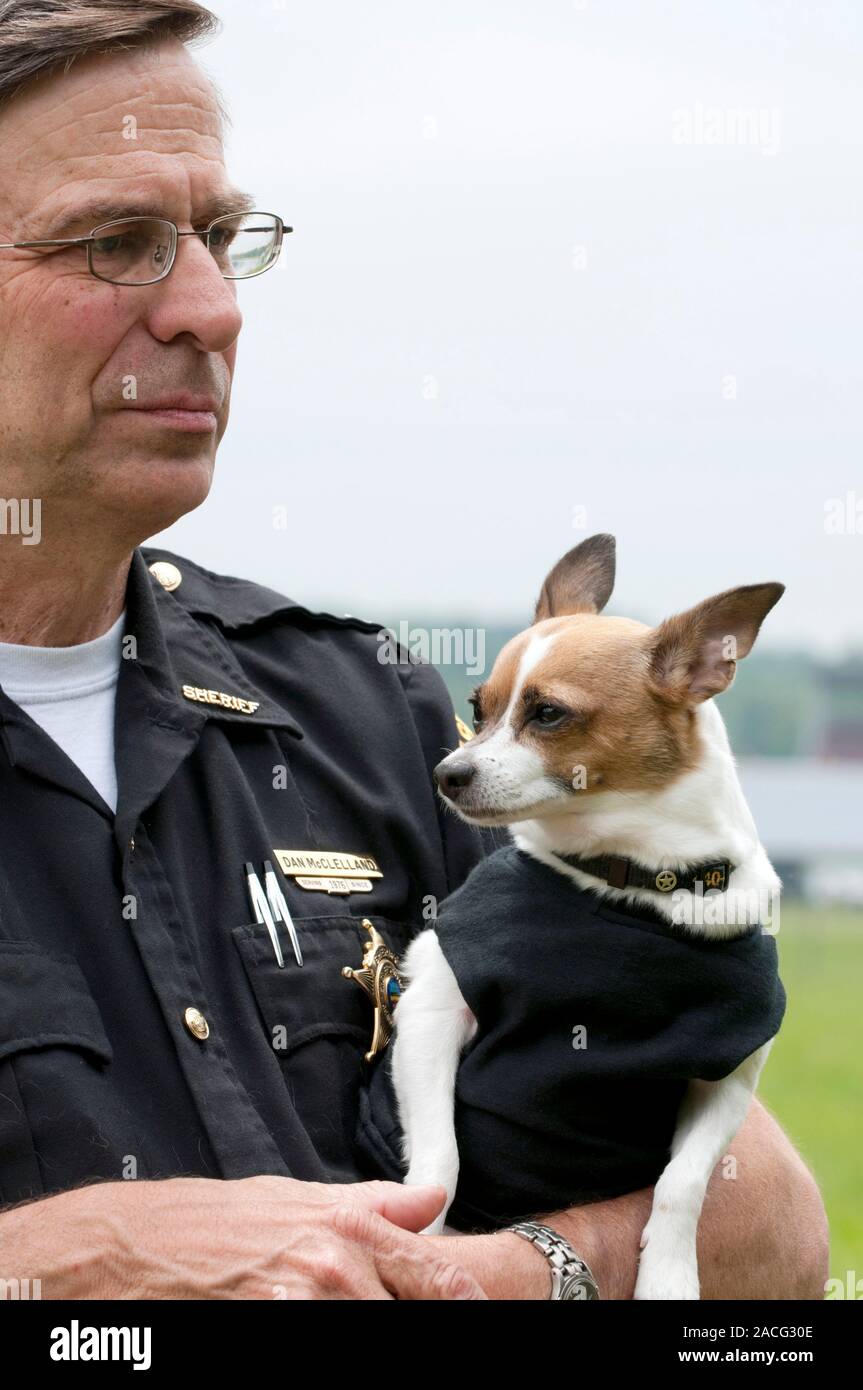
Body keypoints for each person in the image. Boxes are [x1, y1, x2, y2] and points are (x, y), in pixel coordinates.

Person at [0, 0, 827, 1300]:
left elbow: (772, 1223)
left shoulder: (363, 710)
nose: (212, 310)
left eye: (221, 237)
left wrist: (515, 1274)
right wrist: (65, 1259)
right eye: (119, 243)